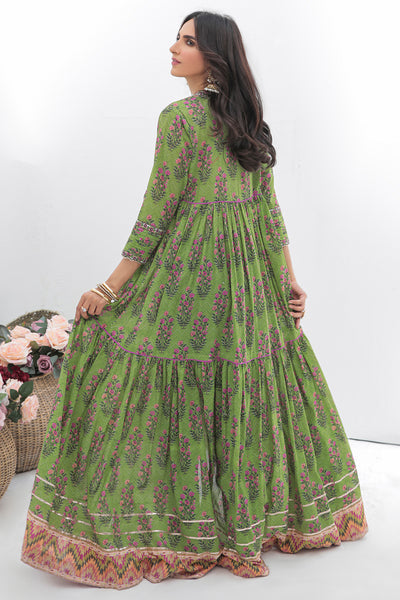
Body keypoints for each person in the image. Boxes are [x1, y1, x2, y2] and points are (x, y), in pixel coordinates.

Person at [20, 11, 368, 589]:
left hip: (192, 275)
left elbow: (157, 213)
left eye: (187, 42)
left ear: (215, 56)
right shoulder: (248, 121)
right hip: (248, 284)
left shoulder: (179, 120)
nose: (174, 48)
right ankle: (248, 520)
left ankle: (176, 521)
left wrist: (109, 288)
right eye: (177, 39)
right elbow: (268, 215)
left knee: (140, 365)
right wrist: (287, 280)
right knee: (242, 382)